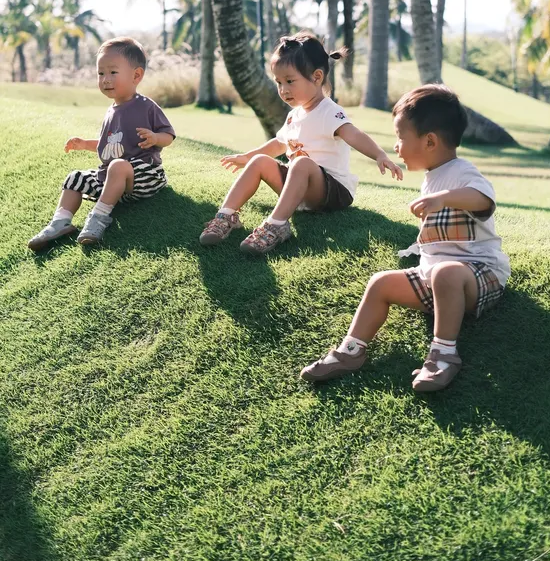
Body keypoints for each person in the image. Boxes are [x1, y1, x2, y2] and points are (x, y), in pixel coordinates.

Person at [300, 84, 510, 392]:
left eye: (400, 137)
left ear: (429, 141)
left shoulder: (462, 172)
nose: (396, 146)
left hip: (480, 276)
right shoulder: (432, 176)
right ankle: (351, 351)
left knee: (445, 273)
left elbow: (483, 200)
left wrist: (445, 198)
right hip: (437, 281)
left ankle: (443, 356)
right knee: (381, 282)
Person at [200, 32, 403, 255]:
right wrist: (247, 158)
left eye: (289, 81)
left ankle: (276, 225)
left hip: (332, 192)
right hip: (300, 190)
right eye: (278, 82)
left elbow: (354, 134)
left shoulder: (329, 111)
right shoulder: (294, 115)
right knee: (260, 161)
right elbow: (278, 144)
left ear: (316, 77)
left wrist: (379, 155)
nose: (283, 89)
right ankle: (226, 215)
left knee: (302, 164)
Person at [28, 37, 176, 250]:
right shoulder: (111, 111)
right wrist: (84, 144)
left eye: (113, 72)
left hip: (144, 177)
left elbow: (168, 135)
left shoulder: (145, 106)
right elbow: (109, 144)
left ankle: (99, 217)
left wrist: (155, 138)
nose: (106, 79)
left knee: (117, 165)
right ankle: (60, 222)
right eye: (101, 73)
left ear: (136, 75)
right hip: (113, 181)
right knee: (75, 177)